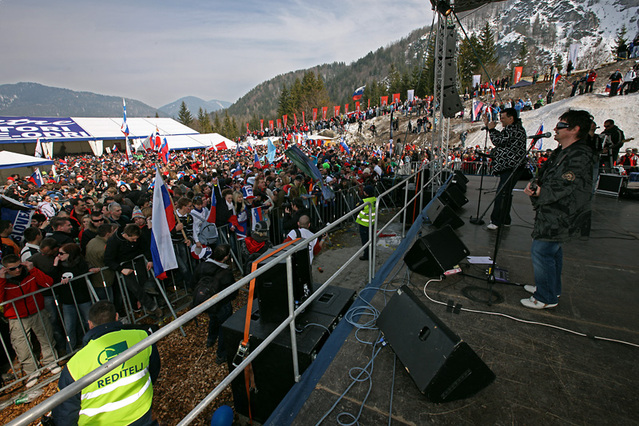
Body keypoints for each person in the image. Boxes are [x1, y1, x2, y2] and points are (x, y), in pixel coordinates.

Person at [522, 109, 595, 309]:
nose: (556, 128)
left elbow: (565, 184)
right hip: (553, 212)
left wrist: (539, 192)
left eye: (561, 125)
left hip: (563, 214)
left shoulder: (579, 155)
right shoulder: (563, 151)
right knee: (552, 252)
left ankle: (545, 297)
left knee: (542, 251)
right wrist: (536, 184)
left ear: (575, 129)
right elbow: (548, 174)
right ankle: (550, 288)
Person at [52, 301, 161, 425]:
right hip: (141, 416)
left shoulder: (75, 364)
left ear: (90, 324)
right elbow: (154, 370)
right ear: (116, 317)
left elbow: (65, 413)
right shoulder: (141, 337)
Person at [0, 255, 60, 388]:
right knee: (21, 345)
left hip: (37, 311)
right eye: (12, 269)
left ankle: (51, 361)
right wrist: (2, 279)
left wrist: (33, 270)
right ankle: (31, 371)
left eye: (19, 266)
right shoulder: (4, 281)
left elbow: (48, 283)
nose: (17, 271)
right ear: (5, 269)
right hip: (16, 317)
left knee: (46, 336)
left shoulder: (30, 274)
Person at [191, 244, 236, 363]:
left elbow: (194, 281)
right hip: (222, 305)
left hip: (207, 302)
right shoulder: (226, 273)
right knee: (223, 327)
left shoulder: (201, 266)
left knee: (213, 319)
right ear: (226, 257)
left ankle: (210, 340)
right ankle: (221, 354)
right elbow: (233, 292)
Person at [483, 108, 527, 229]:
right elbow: (501, 139)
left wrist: (491, 129)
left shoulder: (514, 129)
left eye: (503, 117)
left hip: (511, 166)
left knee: (502, 193)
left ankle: (496, 221)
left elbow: (498, 141)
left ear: (511, 118)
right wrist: (488, 126)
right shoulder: (511, 129)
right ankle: (505, 219)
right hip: (509, 166)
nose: (500, 120)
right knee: (505, 193)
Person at [52, 243, 99, 352]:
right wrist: (55, 265)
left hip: (83, 298)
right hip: (67, 301)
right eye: (58, 253)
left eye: (61, 253)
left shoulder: (81, 263)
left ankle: (95, 344)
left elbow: (83, 278)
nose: (59, 256)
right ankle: (71, 351)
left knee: (89, 322)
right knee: (69, 327)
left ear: (70, 254)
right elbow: (53, 279)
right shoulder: (59, 265)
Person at [355, 185, 377, 261]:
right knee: (371, 238)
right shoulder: (375, 199)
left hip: (364, 224)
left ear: (366, 193)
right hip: (372, 223)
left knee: (365, 241)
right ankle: (372, 253)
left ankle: (367, 255)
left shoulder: (364, 201)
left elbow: (356, 208)